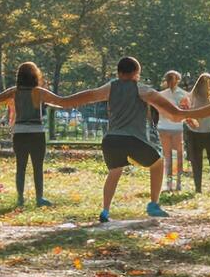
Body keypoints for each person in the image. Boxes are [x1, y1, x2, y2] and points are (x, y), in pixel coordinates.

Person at [50, 57, 200, 222]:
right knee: (157, 163)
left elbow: (88, 95)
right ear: (137, 73)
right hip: (133, 140)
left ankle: (105, 211)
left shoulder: (110, 88)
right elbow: (172, 112)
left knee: (115, 171)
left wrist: (60, 102)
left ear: (119, 73)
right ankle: (153, 204)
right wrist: (188, 117)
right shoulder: (142, 90)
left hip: (111, 140)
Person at [0, 62, 60, 207]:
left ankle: (20, 198)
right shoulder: (39, 91)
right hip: (37, 133)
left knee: (21, 167)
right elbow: (60, 101)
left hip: (20, 133)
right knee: (38, 167)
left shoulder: (14, 91)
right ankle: (39, 198)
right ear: (35, 75)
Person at [155, 71, 188, 194]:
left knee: (179, 155)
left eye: (175, 79)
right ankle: (168, 183)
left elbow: (186, 110)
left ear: (178, 80)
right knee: (167, 156)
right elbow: (158, 110)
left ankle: (178, 182)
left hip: (177, 128)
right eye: (170, 79)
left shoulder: (183, 94)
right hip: (164, 127)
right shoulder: (161, 95)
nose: (172, 82)